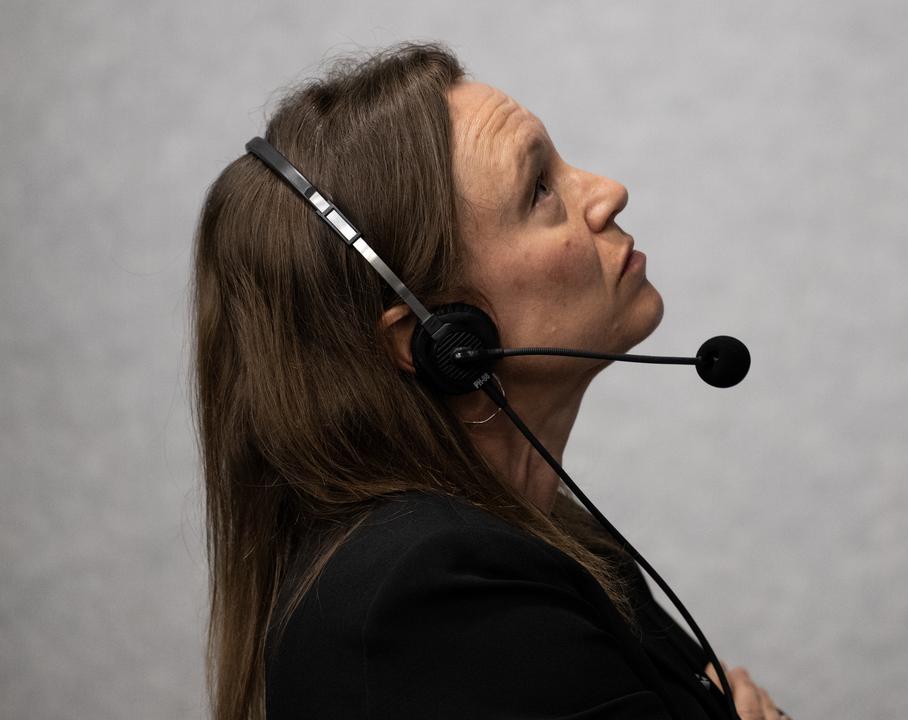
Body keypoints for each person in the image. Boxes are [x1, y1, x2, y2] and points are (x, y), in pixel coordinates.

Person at [191, 41, 785, 719]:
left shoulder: (550, 540)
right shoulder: (431, 600)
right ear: (440, 340)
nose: (607, 191)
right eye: (539, 189)